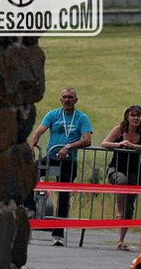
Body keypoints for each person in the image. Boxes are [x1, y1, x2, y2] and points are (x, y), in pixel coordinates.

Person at [28, 86, 93, 246]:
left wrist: (68, 147)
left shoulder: (81, 118)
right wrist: (30, 149)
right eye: (65, 97)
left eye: (71, 97)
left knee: (63, 196)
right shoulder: (53, 114)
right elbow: (38, 132)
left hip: (69, 161)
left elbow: (87, 140)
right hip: (51, 157)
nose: (67, 100)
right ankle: (31, 208)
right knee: (28, 176)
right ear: (60, 99)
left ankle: (58, 233)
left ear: (76, 100)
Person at [101, 105, 141, 251]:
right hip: (116, 169)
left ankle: (121, 240)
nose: (135, 118)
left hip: (134, 171)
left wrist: (133, 146)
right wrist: (119, 144)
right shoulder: (120, 129)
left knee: (130, 208)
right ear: (127, 117)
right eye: (132, 115)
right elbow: (104, 143)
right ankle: (119, 210)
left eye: (138, 116)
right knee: (122, 181)